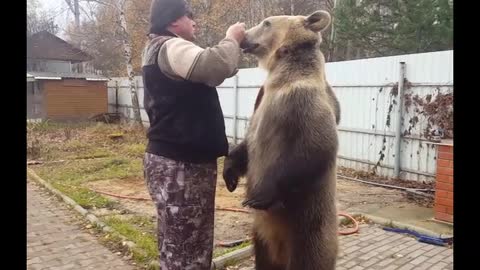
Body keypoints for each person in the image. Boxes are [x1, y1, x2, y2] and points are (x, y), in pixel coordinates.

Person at [141, 0, 246, 269]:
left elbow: (219, 70)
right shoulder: (171, 45)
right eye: (189, 15)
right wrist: (231, 38)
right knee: (189, 246)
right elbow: (213, 66)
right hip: (182, 166)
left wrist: (234, 49)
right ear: (173, 21)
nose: (194, 21)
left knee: (176, 240)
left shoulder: (156, 48)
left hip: (168, 161)